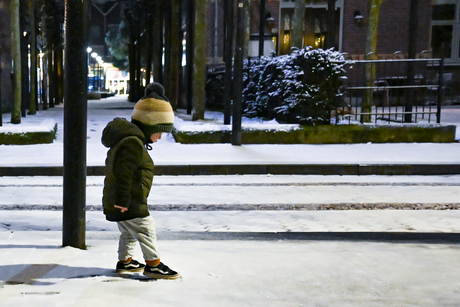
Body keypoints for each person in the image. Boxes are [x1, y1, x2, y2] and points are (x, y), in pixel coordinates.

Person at [101, 82, 179, 280]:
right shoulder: (133, 144)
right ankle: (153, 265)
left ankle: (125, 262)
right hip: (128, 200)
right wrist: (122, 201)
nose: (160, 137)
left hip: (123, 200)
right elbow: (123, 174)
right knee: (145, 228)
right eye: (160, 131)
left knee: (128, 231)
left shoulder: (132, 141)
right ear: (149, 125)